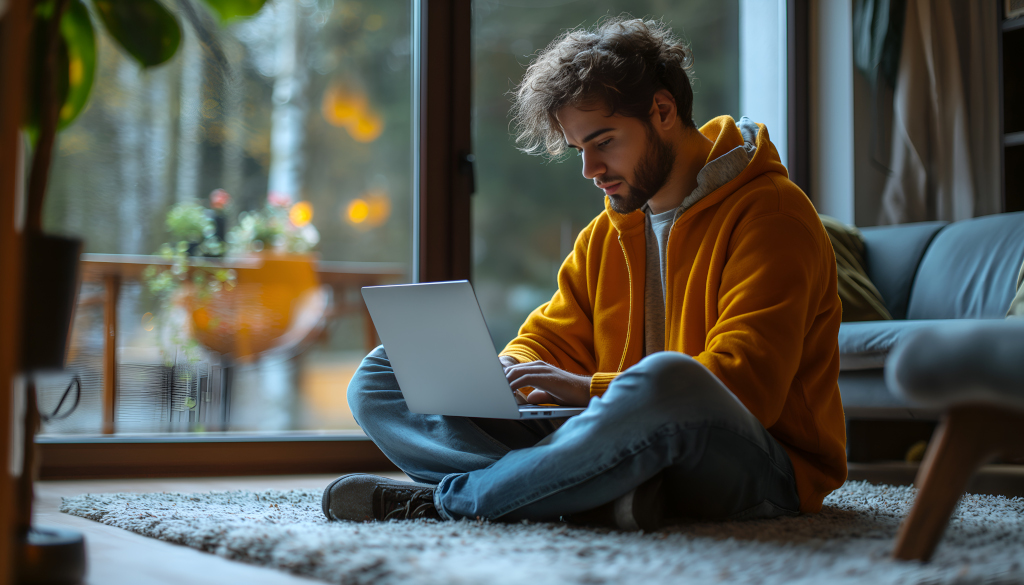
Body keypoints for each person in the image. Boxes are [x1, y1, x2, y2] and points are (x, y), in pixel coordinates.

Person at [322, 17, 846, 530]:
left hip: (758, 462)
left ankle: (460, 499)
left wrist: (587, 390)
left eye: (604, 142)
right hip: (613, 442)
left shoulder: (772, 214)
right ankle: (586, 493)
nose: (589, 170)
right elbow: (544, 340)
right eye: (579, 150)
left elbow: (746, 388)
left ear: (662, 110)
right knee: (383, 373)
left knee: (671, 381)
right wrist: (507, 376)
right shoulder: (606, 234)